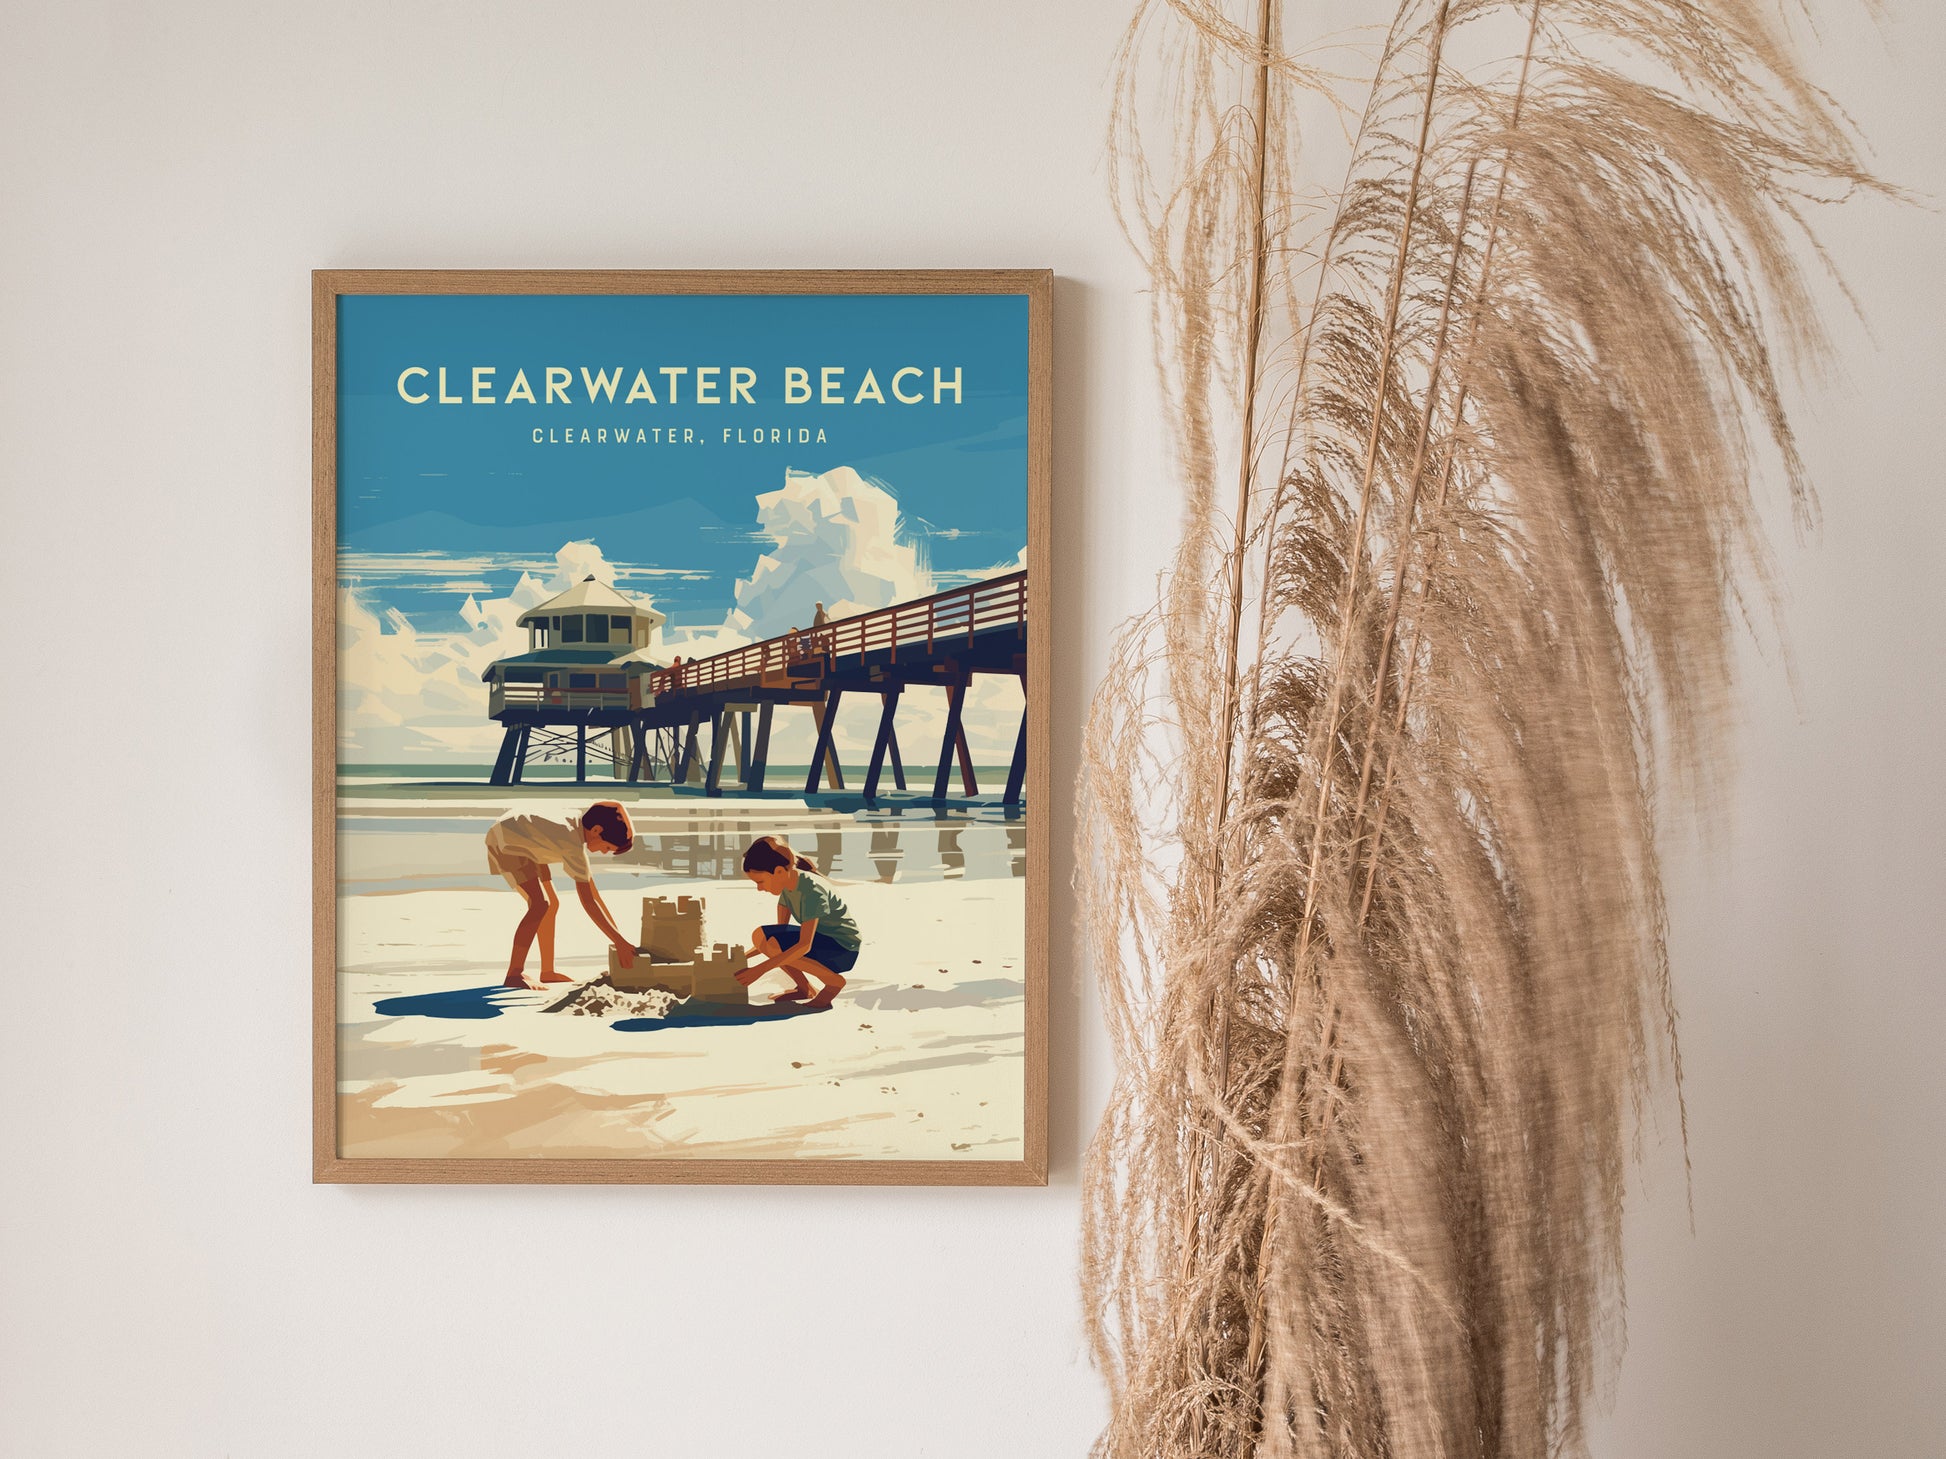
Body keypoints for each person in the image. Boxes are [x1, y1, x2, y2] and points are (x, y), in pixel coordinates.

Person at [485, 801, 639, 990]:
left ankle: (547, 972)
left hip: (527, 838)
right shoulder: (571, 844)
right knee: (540, 904)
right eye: (606, 848)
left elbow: (594, 893)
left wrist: (619, 938)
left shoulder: (575, 826)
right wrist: (618, 941)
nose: (603, 852)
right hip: (508, 842)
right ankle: (514, 974)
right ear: (597, 830)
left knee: (552, 903)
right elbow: (588, 902)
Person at [736, 834, 861, 1007]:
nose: (759, 888)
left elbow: (804, 945)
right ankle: (805, 988)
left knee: (774, 944)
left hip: (843, 949)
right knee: (761, 936)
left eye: (761, 881)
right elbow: (779, 934)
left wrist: (759, 970)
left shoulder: (811, 890)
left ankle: (834, 983)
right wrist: (740, 957)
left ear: (779, 871)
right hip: (822, 940)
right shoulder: (788, 887)